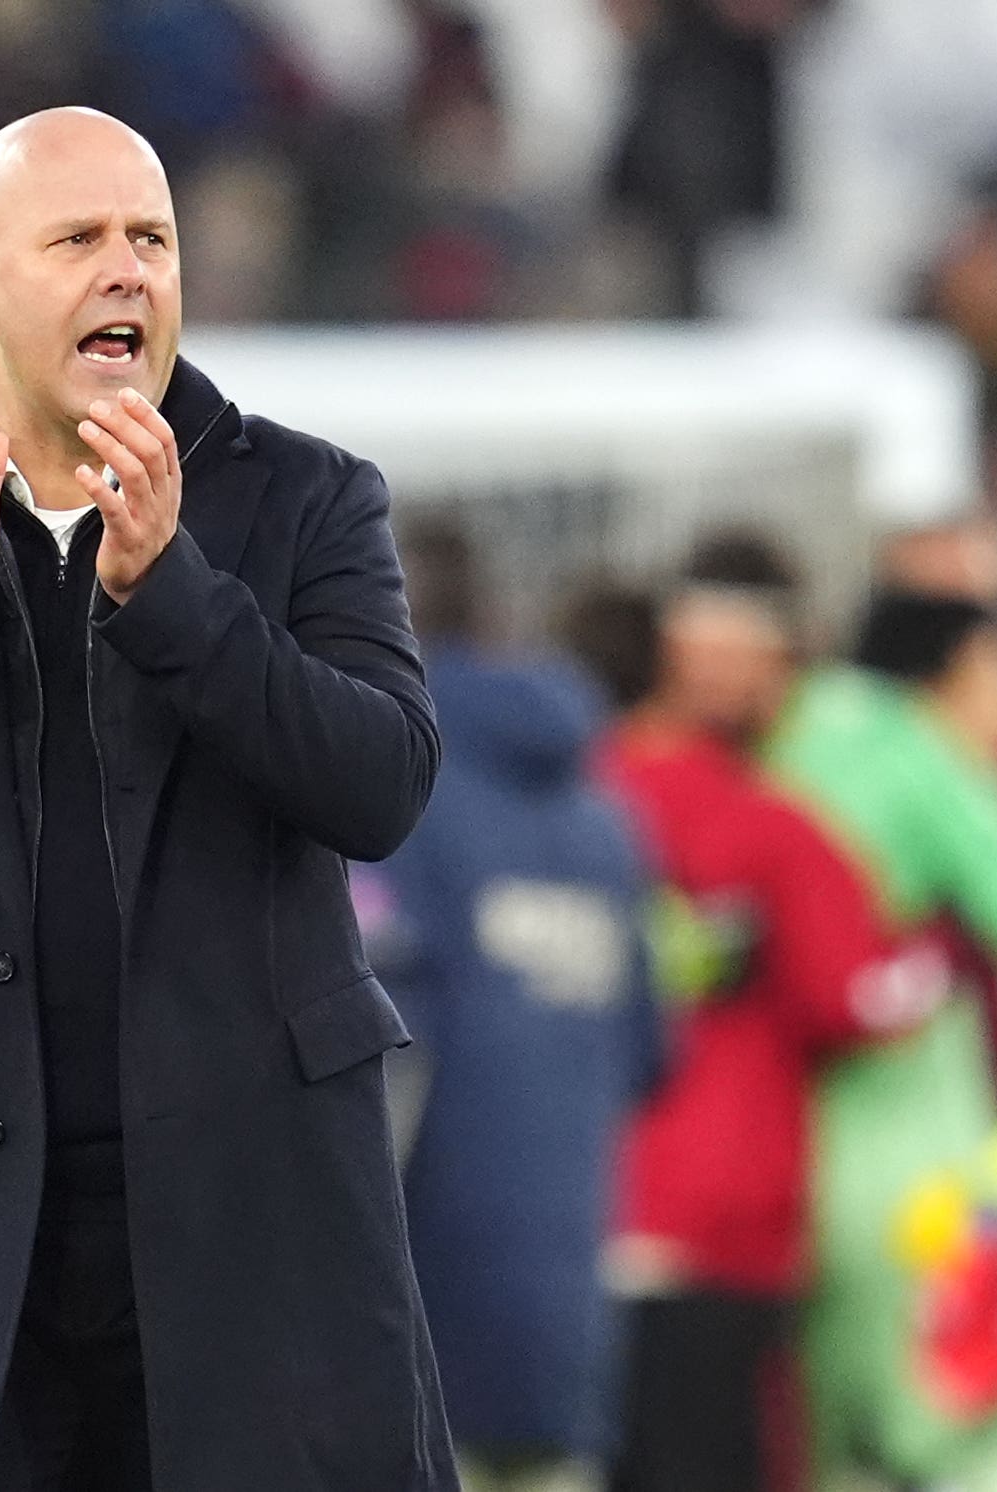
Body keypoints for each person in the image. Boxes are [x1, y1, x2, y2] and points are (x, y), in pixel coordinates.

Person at [0, 106, 453, 1491]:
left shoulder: (307, 499)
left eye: (150, 239)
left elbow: (380, 784)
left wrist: (174, 593)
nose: (127, 269)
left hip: (249, 1233)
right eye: (79, 239)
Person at [557, 542, 946, 1492]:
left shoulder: (568, 802)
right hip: (723, 1232)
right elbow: (861, 997)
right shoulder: (770, 824)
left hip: (575, 1216)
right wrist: (933, 960)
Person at [767, 583, 997, 1492]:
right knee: (984, 1447)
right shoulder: (910, 749)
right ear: (939, 681)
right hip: (929, 1188)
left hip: (779, 1189)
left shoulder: (766, 745)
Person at [358, 518, 662, 1492]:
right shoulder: (605, 824)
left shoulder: (389, 801)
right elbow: (648, 1054)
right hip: (567, 1312)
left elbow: (373, 1067)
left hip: (417, 1318)